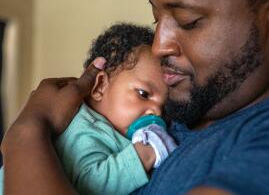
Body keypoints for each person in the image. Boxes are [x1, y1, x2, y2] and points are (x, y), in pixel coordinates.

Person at [1, 0, 269, 194]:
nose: (158, 46)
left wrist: (26, 134)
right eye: (156, 20)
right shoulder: (181, 103)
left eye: (188, 22)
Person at [0, 23, 177, 195]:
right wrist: (142, 156)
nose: (157, 112)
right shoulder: (86, 128)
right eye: (143, 94)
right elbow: (90, 185)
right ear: (100, 86)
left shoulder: (112, 130)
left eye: (164, 106)